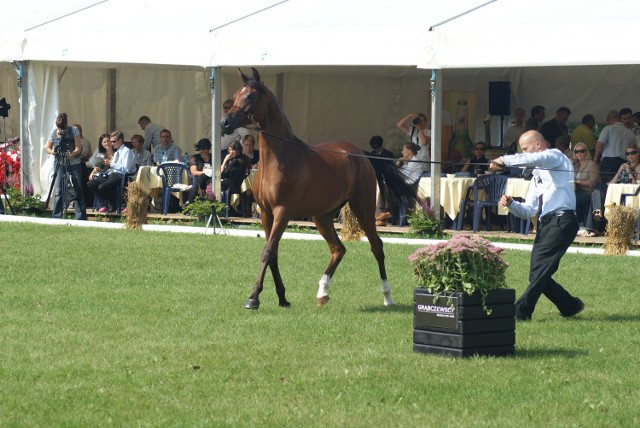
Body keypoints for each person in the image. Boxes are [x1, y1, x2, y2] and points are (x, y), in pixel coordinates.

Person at [490, 130, 584, 321]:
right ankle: (570, 305)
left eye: (525, 149)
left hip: (562, 220)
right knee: (538, 274)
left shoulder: (556, 156)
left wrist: (503, 159)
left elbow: (538, 158)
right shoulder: (536, 176)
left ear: (538, 145)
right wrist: (511, 204)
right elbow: (528, 210)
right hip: (547, 224)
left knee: (540, 272)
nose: (523, 153)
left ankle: (521, 312)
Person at [45, 113, 87, 220]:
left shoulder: (74, 130)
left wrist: (71, 154)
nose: (60, 130)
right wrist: (53, 152)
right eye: (59, 127)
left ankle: (80, 216)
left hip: (74, 164)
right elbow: (47, 147)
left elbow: (78, 148)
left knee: (77, 188)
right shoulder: (54, 132)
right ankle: (56, 216)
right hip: (59, 163)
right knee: (59, 190)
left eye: (62, 127)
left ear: (66, 124)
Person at [87, 131, 136, 213]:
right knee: (91, 184)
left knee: (102, 187)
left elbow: (126, 169)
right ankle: (109, 202)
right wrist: (103, 167)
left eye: (113, 141)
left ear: (120, 140)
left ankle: (113, 203)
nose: (111, 143)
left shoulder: (126, 151)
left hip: (121, 176)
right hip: (112, 174)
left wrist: (111, 163)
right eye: (111, 141)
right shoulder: (117, 152)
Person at [594, 110, 637, 184]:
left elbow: (600, 144)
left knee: (607, 184)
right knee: (621, 184)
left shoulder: (609, 128)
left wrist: (596, 157)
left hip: (609, 162)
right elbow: (635, 149)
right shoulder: (631, 134)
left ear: (610, 121)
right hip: (624, 162)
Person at [572, 142, 600, 236]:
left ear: (587, 152)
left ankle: (580, 224)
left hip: (590, 193)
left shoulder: (591, 164)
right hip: (577, 192)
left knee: (575, 200)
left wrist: (577, 181)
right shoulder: (575, 166)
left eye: (582, 151)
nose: (579, 153)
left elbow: (592, 183)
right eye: (577, 151)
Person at [221, 140, 251, 216]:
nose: (231, 152)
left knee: (214, 185)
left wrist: (225, 160)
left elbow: (222, 174)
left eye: (233, 150)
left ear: (238, 150)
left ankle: (226, 210)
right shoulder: (246, 158)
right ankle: (235, 211)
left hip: (232, 186)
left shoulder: (234, 161)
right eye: (230, 150)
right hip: (242, 186)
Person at [220, 99, 250, 164]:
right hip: (219, 152)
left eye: (230, 107)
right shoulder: (220, 119)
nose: (228, 109)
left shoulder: (236, 120)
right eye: (225, 107)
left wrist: (238, 146)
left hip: (231, 153)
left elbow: (246, 135)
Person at [187, 138, 213, 204]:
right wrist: (205, 172)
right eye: (204, 148)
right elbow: (193, 172)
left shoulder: (213, 157)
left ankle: (190, 202)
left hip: (211, 179)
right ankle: (191, 203)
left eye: (207, 148)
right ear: (200, 149)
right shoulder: (195, 158)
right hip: (199, 179)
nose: (206, 150)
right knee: (199, 180)